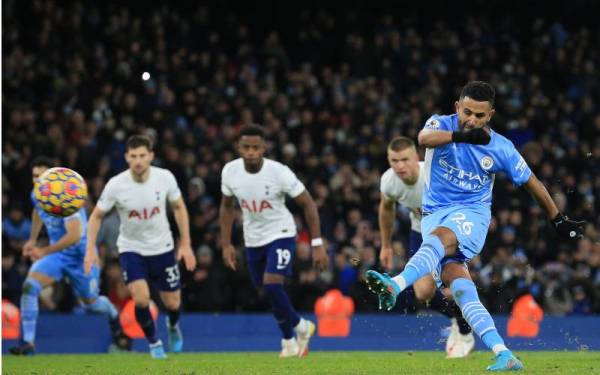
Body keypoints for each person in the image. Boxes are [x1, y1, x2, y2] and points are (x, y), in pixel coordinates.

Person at [366, 81, 584, 371]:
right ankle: (503, 352)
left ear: (490, 115)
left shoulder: (501, 148)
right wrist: (462, 137)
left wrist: (557, 218)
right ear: (457, 107)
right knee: (460, 288)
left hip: (471, 216)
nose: (472, 120)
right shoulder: (441, 124)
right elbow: (424, 138)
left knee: (440, 239)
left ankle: (394, 284)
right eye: (467, 112)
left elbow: (534, 184)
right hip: (434, 214)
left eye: (480, 116)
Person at [219, 124, 329, 358]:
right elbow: (227, 207)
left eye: (255, 147)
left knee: (271, 284)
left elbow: (308, 203)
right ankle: (288, 341)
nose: (250, 152)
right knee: (267, 291)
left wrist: (317, 244)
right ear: (239, 147)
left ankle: (302, 327)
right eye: (246, 147)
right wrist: (226, 243)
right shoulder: (230, 171)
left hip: (281, 233)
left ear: (264, 148)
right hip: (252, 239)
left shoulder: (279, 172)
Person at [84, 135, 197, 359]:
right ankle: (154, 343)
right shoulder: (116, 184)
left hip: (163, 248)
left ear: (151, 156)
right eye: (133, 156)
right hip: (131, 249)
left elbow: (179, 208)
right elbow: (96, 216)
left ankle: (173, 327)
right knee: (141, 298)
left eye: (142, 156)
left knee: (173, 303)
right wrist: (90, 249)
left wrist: (186, 243)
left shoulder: (164, 178)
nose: (138, 161)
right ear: (126, 157)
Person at [10, 156, 130, 355]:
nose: (37, 181)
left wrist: (44, 250)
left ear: (55, 178)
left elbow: (74, 236)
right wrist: (32, 240)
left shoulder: (66, 199)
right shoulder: (38, 194)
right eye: (34, 176)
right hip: (58, 256)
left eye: (42, 176)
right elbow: (37, 211)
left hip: (82, 258)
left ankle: (111, 312)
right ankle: (28, 343)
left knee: (90, 304)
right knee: (30, 287)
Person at [379, 136, 474, 358]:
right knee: (422, 293)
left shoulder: (434, 175)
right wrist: (385, 245)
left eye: (404, 159)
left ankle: (466, 332)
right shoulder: (389, 181)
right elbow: (386, 208)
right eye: (394, 160)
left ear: (416, 158)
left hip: (449, 232)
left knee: (455, 285)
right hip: (420, 232)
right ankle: (458, 320)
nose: (399, 166)